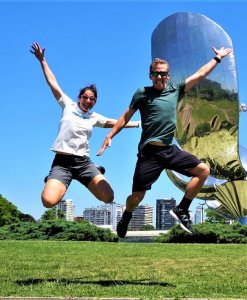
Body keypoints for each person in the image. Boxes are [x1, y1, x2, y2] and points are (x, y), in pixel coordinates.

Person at [97, 46, 233, 237]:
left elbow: (200, 74)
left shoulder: (175, 89)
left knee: (203, 171)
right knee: (136, 197)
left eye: (163, 74)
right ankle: (126, 215)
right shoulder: (142, 93)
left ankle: (182, 209)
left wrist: (217, 57)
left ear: (168, 76)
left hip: (169, 151)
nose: (160, 77)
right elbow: (125, 117)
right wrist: (110, 135)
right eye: (156, 74)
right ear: (150, 75)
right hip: (149, 154)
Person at [30, 42, 140, 209]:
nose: (88, 101)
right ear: (79, 97)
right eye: (85, 97)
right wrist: (42, 61)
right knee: (48, 202)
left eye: (92, 99)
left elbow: (115, 122)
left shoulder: (93, 117)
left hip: (83, 163)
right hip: (62, 162)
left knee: (108, 197)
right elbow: (52, 83)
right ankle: (57, 181)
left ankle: (94, 169)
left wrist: (138, 123)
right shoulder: (67, 105)